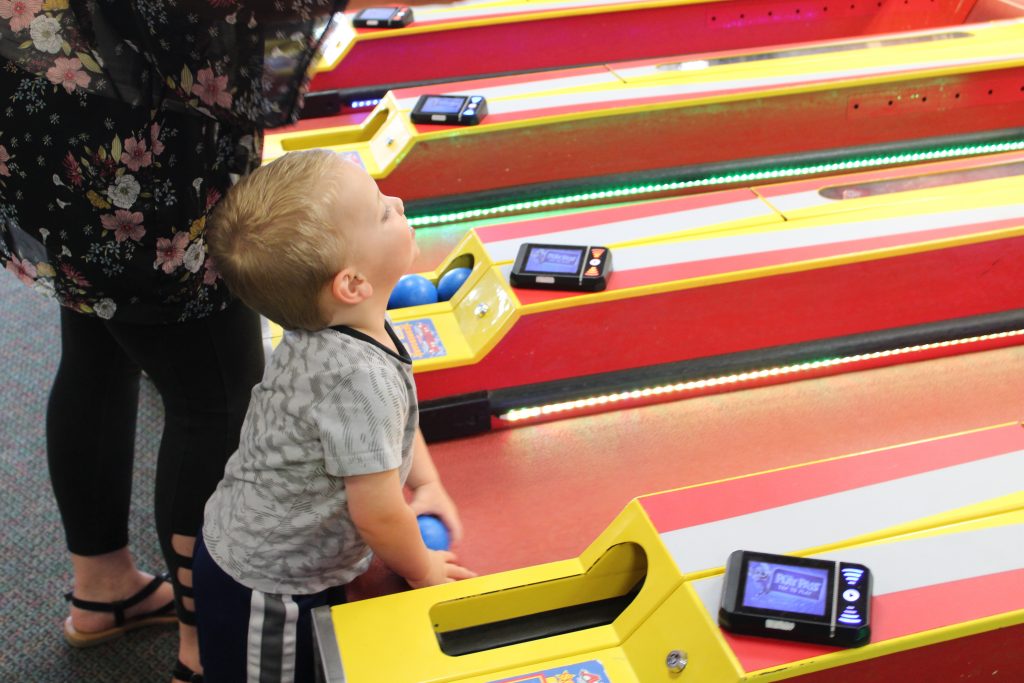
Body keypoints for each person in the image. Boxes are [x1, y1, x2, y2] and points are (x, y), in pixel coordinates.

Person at [0, 0, 382, 680]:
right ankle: (206, 645)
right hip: (141, 131)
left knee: (96, 340)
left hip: (47, 97)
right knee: (215, 394)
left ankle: (105, 587)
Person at [193, 149, 475, 682]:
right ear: (351, 284)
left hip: (287, 554)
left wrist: (429, 483)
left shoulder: (347, 329)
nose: (397, 200)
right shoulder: (354, 376)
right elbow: (378, 512)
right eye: (381, 212)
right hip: (267, 585)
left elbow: (394, 427)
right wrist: (424, 570)